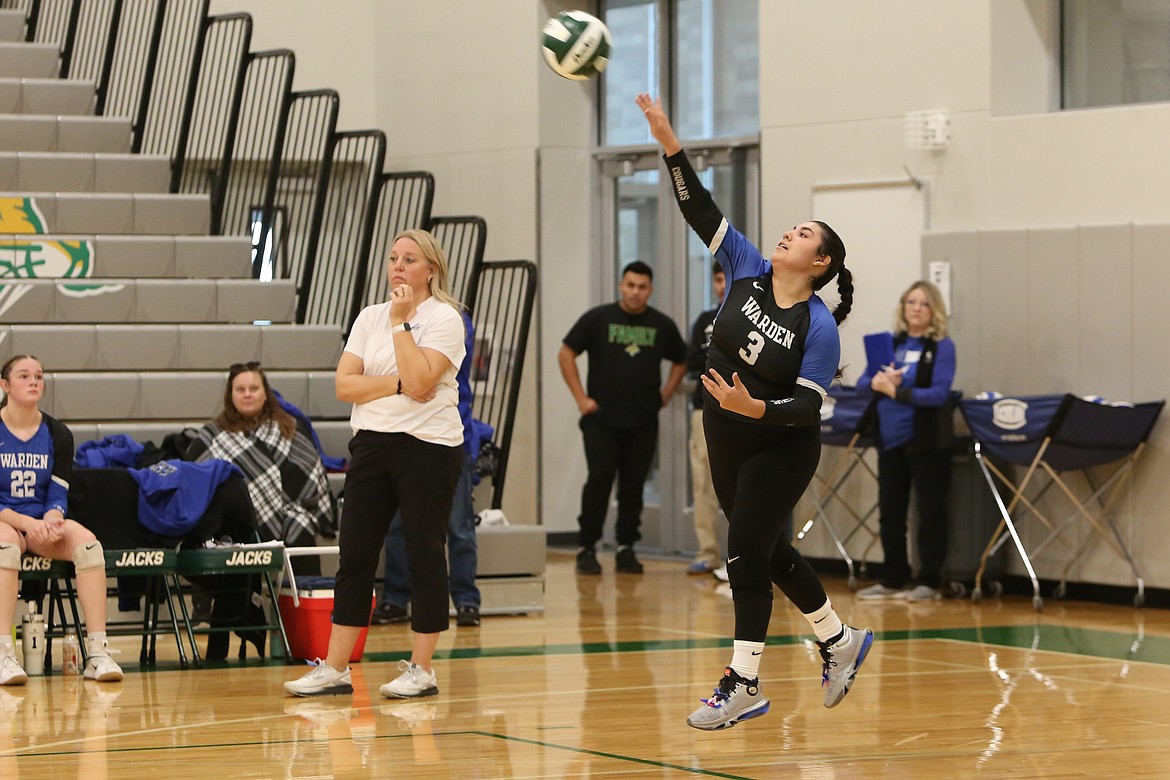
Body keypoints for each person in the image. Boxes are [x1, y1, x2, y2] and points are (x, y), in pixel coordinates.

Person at [636, 92, 874, 730]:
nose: (787, 234)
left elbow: (806, 408)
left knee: (742, 553)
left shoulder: (817, 325)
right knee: (768, 553)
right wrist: (669, 143)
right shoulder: (745, 265)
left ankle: (743, 681)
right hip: (726, 436)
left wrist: (753, 404)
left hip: (779, 446)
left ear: (818, 263)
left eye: (801, 235)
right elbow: (699, 207)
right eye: (791, 228)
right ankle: (838, 640)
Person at [284, 228, 466, 700]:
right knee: (356, 553)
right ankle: (336, 667)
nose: (398, 266)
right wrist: (401, 385)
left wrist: (404, 325)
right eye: (393, 258)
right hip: (371, 443)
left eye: (409, 259)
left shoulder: (446, 318)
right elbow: (345, 385)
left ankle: (421, 669)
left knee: (424, 550)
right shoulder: (369, 316)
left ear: (431, 269)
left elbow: (424, 379)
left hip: (429, 445)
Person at [559, 260, 688, 575]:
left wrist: (666, 393)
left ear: (650, 290)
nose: (635, 292)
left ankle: (626, 548)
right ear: (621, 286)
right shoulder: (599, 319)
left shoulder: (661, 325)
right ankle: (587, 547)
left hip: (642, 420)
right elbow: (566, 353)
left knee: (633, 487)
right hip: (601, 418)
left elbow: (682, 359)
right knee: (599, 480)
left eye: (642, 287)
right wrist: (580, 398)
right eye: (630, 285)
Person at [0, 355, 123, 684]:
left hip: (40, 523)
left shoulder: (57, 434)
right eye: (24, 376)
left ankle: (97, 653)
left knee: (88, 545)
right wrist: (27, 525)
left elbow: (57, 493)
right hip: (7, 522)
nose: (34, 382)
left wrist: (53, 520)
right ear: (5, 385)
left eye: (39, 376)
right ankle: (3, 655)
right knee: (6, 544)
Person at [373, 310, 482, 628]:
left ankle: (466, 600)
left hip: (449, 434)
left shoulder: (454, 317)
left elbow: (427, 371)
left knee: (458, 525)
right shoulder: (389, 316)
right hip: (402, 433)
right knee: (397, 523)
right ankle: (395, 598)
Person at [855, 281, 957, 602]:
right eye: (910, 302)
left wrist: (897, 391)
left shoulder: (941, 346)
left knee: (929, 511)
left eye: (923, 304)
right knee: (891, 511)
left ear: (934, 310)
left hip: (926, 441)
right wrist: (880, 381)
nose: (915, 308)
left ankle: (929, 578)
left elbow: (939, 394)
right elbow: (861, 384)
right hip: (889, 440)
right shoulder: (890, 344)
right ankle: (892, 577)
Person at [187, 362, 336, 567]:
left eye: (254, 389)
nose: (247, 394)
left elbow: (312, 474)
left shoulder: (290, 427)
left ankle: (299, 596)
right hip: (237, 520)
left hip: (290, 515)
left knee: (300, 526)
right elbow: (195, 484)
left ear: (265, 393)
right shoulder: (212, 435)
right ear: (231, 395)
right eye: (240, 390)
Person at [686, 262, 726, 576]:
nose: (722, 284)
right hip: (704, 409)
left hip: (743, 411)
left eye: (728, 277)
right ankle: (708, 551)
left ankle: (746, 555)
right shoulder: (704, 321)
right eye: (717, 279)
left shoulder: (754, 317)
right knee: (703, 482)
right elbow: (692, 363)